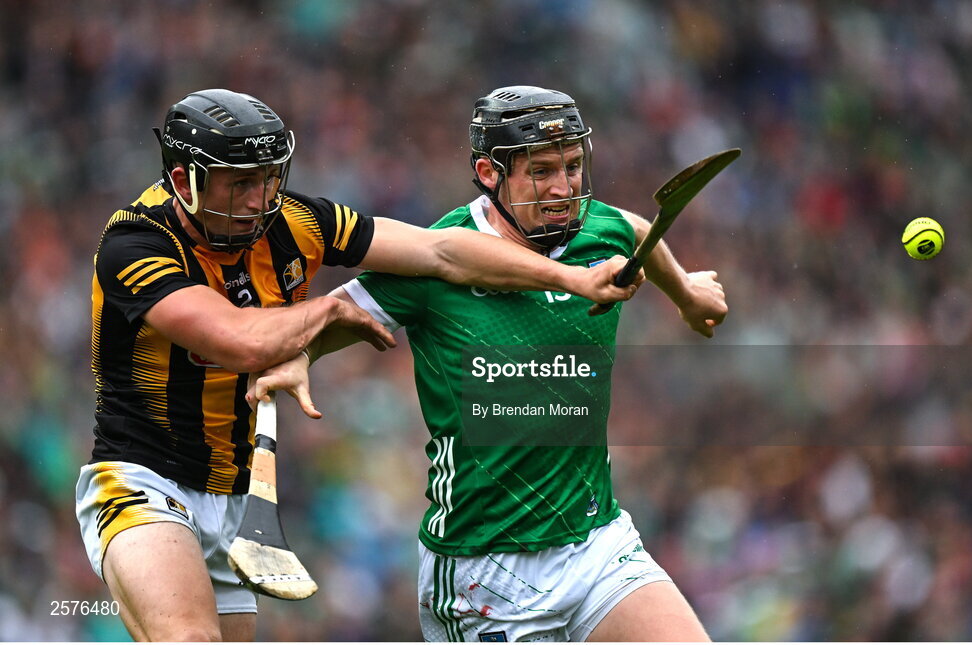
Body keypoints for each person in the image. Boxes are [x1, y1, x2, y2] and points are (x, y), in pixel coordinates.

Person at [74, 88, 638, 642]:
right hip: (142, 479)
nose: (260, 199)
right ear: (184, 182)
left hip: (236, 495)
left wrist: (569, 277)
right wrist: (325, 310)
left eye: (270, 178)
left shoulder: (293, 221)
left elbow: (441, 251)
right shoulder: (138, 245)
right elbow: (239, 342)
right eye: (241, 183)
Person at [251, 85, 727, 641]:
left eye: (573, 166)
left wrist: (686, 292)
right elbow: (333, 313)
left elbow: (638, 227)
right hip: (485, 571)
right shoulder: (439, 254)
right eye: (541, 171)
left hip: (597, 543)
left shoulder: (599, 231)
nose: (563, 188)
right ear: (488, 171)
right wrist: (303, 353)